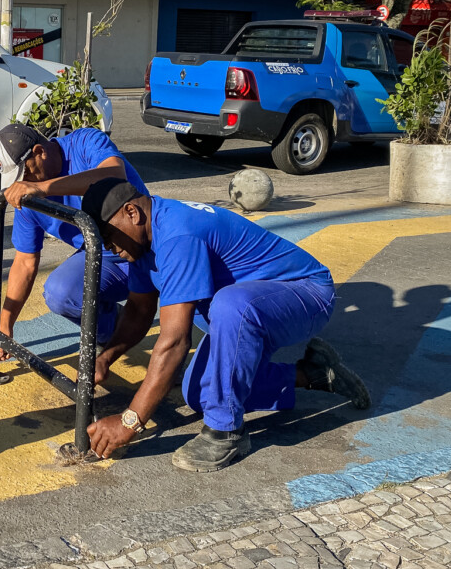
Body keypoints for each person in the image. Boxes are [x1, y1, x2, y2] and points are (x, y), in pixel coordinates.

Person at [79, 178, 370, 471]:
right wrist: (106, 358)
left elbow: (175, 342)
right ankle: (315, 373)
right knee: (202, 394)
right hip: (250, 311)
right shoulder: (143, 241)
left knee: (231, 306)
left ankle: (225, 434)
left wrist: (130, 421)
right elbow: (139, 311)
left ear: (132, 213)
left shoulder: (178, 236)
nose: (107, 247)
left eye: (106, 235)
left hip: (305, 293)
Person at [0, 122, 147, 354]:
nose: (23, 183)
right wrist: (5, 323)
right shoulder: (28, 194)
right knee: (60, 293)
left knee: (195, 312)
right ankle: (118, 332)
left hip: (148, 246)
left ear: (39, 152)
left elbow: (115, 174)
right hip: (105, 256)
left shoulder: (84, 142)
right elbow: (25, 261)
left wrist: (45, 188)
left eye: (25, 174)